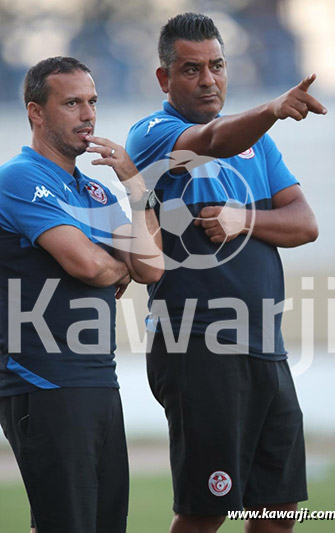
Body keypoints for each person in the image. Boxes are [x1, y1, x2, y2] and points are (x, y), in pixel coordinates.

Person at [126, 12, 326, 533]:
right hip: (198, 344)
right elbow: (213, 139)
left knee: (278, 511)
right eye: (192, 69)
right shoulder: (152, 134)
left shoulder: (260, 142)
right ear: (164, 79)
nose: (209, 79)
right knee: (205, 510)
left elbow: (305, 223)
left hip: (266, 346)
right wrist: (274, 108)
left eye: (217, 65)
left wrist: (245, 218)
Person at [0, 56, 163, 533]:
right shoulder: (18, 178)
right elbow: (89, 265)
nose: (88, 114)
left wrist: (134, 187)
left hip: (97, 380)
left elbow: (151, 268)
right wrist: (116, 265)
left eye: (92, 102)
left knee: (105, 524)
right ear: (36, 113)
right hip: (44, 382)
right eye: (71, 103)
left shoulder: (95, 191)